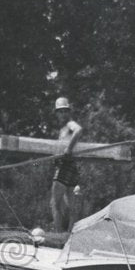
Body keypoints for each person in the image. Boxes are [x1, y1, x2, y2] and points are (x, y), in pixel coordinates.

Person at [49, 96, 83, 234]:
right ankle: (70, 234)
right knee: (70, 204)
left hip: (65, 166)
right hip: (70, 166)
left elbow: (79, 130)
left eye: (64, 111)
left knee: (54, 203)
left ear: (68, 112)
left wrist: (69, 148)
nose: (62, 114)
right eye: (60, 111)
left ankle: (58, 234)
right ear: (56, 113)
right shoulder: (62, 129)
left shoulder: (70, 124)